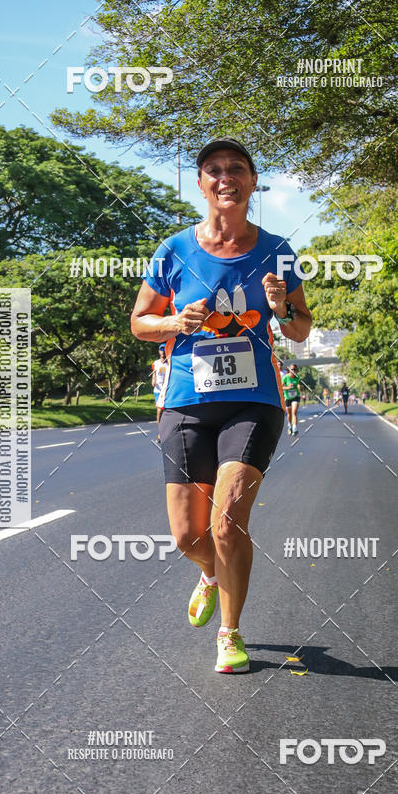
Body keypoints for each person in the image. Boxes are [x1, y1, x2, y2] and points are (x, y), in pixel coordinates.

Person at [131, 137, 312, 673]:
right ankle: (210, 573)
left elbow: (302, 330)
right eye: (213, 169)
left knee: (228, 520)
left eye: (237, 168)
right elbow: (140, 322)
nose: (225, 176)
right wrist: (173, 321)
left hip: (254, 402)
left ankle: (230, 635)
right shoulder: (173, 251)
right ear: (201, 183)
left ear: (254, 183)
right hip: (186, 400)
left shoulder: (278, 250)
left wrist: (281, 309)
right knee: (189, 534)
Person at [151, 344, 169, 441]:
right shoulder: (155, 363)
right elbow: (154, 373)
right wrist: (153, 380)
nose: (162, 352)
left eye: (164, 349)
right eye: (161, 350)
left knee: (168, 411)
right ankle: (161, 432)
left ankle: (168, 431)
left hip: (168, 390)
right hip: (158, 391)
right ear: (158, 351)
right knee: (159, 410)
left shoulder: (170, 362)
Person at [282, 363, 302, 435]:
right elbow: (280, 387)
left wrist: (299, 388)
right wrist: (287, 387)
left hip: (296, 396)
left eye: (295, 369)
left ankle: (294, 428)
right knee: (289, 414)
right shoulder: (285, 377)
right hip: (287, 397)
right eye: (292, 369)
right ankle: (289, 425)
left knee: (294, 412)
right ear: (289, 370)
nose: (293, 371)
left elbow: (299, 384)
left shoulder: (297, 377)